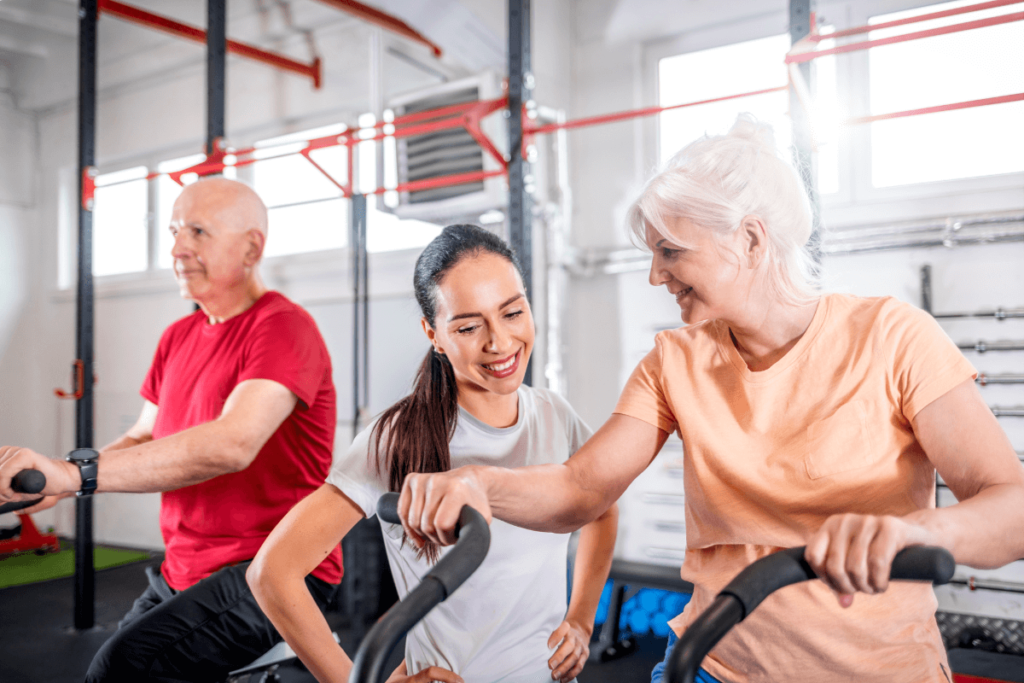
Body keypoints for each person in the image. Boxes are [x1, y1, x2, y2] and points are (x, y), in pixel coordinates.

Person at [390, 118, 1024, 683]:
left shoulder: (893, 337)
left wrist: (908, 532)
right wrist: (479, 483)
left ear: (750, 240)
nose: (655, 275)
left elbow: (1012, 509)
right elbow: (582, 490)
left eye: (671, 252)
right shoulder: (675, 360)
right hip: (714, 663)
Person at [0, 178, 341, 682]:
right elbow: (143, 435)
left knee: (120, 669)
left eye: (198, 232)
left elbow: (233, 443)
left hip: (275, 570)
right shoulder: (178, 336)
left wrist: (76, 475)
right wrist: (60, 481)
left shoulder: (284, 327)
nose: (178, 248)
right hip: (183, 568)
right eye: (175, 231)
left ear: (252, 247)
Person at [247, 224, 618, 683]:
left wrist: (582, 619)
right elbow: (273, 572)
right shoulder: (397, 436)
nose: (498, 342)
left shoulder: (554, 414)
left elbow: (603, 506)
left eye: (512, 313)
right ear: (434, 333)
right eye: (467, 325)